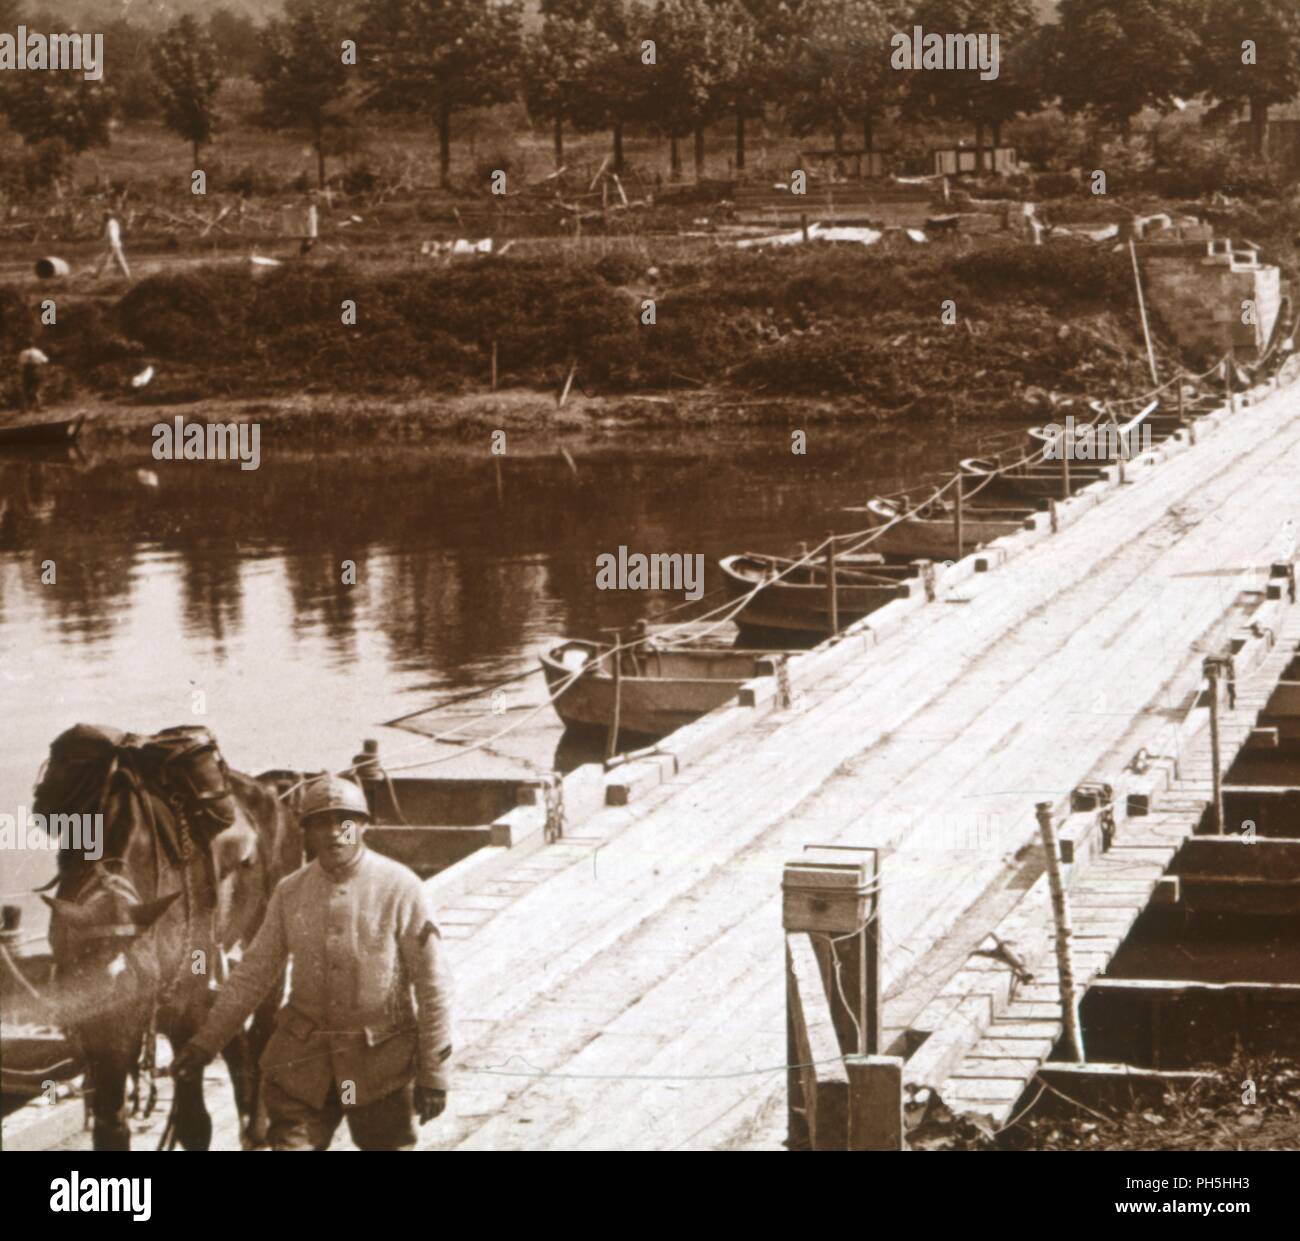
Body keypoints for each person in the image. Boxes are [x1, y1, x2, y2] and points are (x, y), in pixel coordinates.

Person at [171, 774, 454, 1150]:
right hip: (304, 1067)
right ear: (306, 832)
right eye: (321, 822)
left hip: (379, 1068)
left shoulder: (402, 888)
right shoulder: (290, 892)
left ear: (364, 826)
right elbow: (252, 976)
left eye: (345, 822)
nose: (334, 833)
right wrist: (205, 1044)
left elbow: (433, 986)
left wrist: (434, 1072)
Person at [17, 346, 49, 412]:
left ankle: (24, 408)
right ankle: (39, 407)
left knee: (25, 390)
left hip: (26, 372)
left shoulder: (23, 352)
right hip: (35, 370)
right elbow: (45, 360)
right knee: (36, 390)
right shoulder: (37, 352)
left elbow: (20, 362)